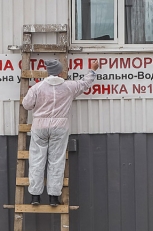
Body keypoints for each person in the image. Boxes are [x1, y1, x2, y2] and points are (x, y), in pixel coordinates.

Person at [22, 59, 97, 206]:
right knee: (56, 161)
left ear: (48, 72)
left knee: (37, 160)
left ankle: (35, 196)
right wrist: (93, 70)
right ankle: (53, 197)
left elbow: (26, 104)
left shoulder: (37, 88)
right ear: (61, 72)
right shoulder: (69, 86)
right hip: (60, 126)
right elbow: (84, 83)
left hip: (40, 126)